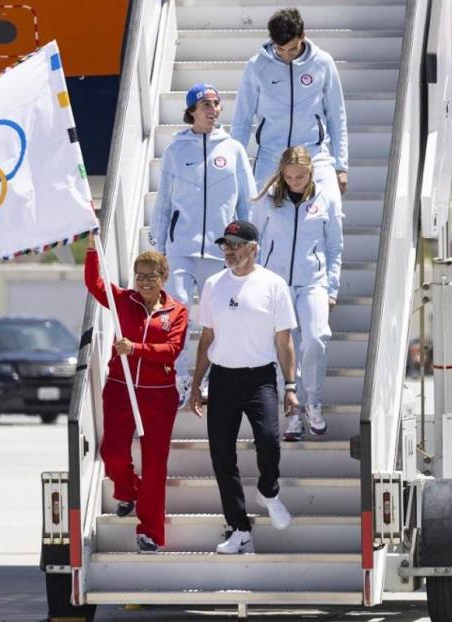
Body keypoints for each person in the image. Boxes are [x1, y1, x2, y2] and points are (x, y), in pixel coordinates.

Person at [190, 220, 298, 554]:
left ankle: (269, 490)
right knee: (222, 456)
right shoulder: (212, 284)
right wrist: (196, 384)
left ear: (254, 248)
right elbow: (207, 337)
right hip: (222, 378)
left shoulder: (273, 284)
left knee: (268, 441)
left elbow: (284, 342)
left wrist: (291, 385)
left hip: (260, 378)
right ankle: (239, 529)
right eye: (226, 245)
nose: (229, 251)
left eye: (236, 245)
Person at [149, 82, 256, 407]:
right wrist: (158, 249)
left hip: (220, 252)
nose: (213, 109)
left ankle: (207, 380)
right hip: (182, 248)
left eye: (216, 103)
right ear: (192, 111)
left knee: (216, 318)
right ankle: (179, 378)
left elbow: (246, 204)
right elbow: (164, 203)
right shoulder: (175, 150)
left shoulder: (233, 149)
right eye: (206, 104)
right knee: (178, 311)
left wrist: (249, 246)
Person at [85, 232, 188, 553]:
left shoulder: (177, 312)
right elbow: (95, 284)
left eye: (151, 276)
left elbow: (171, 350)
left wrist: (136, 348)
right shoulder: (123, 301)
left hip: (159, 395)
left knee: (155, 464)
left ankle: (150, 532)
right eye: (139, 276)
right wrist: (91, 251)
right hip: (120, 387)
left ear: (164, 277)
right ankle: (128, 490)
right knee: (112, 453)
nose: (144, 282)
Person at [250, 146, 343, 440]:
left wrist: (332, 287)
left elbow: (334, 247)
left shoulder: (325, 198)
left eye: (300, 176)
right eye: (289, 177)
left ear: (311, 172)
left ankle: (312, 401)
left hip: (313, 282)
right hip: (275, 285)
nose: (295, 182)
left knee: (315, 339)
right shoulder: (268, 200)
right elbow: (255, 241)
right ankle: (291, 412)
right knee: (284, 347)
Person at [230, 7, 348, 203]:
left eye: (292, 48)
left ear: (303, 35)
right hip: (270, 157)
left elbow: (337, 116)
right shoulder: (256, 66)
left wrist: (341, 166)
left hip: (314, 155)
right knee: (259, 217)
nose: (286, 55)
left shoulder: (323, 63)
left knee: (331, 207)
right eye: (280, 49)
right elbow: (241, 119)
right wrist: (234, 165)